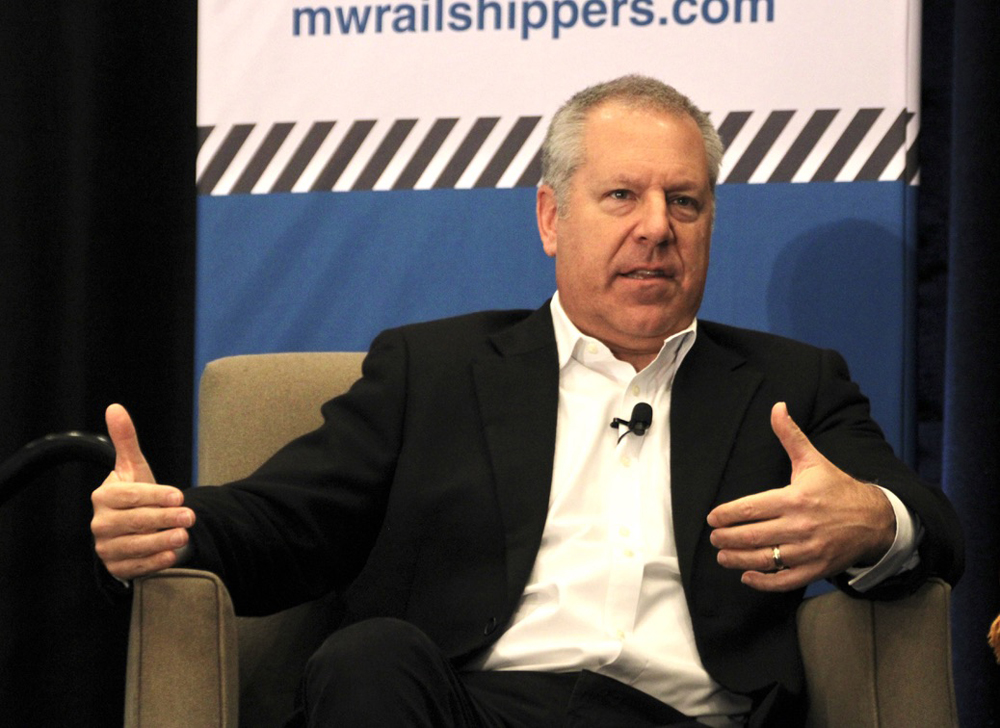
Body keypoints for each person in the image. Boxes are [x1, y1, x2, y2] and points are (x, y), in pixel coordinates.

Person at [91, 75, 963, 726]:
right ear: (551, 217)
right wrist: (171, 524)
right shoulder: (434, 368)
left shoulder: (790, 384)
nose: (656, 227)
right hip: (471, 707)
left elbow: (935, 531)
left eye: (685, 202)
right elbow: (290, 521)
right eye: (621, 195)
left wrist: (873, 520)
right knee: (368, 659)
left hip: (683, 717)